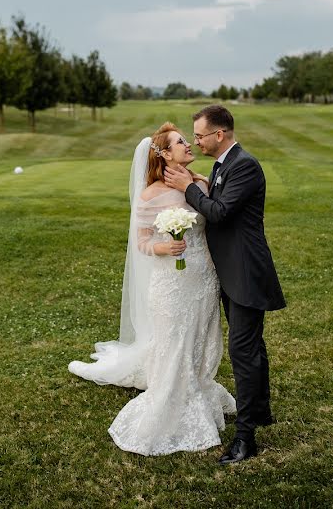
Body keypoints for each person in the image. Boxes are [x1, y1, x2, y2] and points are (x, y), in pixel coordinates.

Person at [68, 122, 236, 456]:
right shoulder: (150, 195)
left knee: (202, 340)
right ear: (164, 155)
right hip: (171, 284)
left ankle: (198, 390)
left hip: (203, 280)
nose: (189, 144)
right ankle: (170, 405)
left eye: (189, 140)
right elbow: (141, 241)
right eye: (180, 142)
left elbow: (215, 222)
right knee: (173, 342)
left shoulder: (201, 183)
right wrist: (163, 248)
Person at [164, 104, 286, 464]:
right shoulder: (223, 166)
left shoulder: (244, 165)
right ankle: (261, 412)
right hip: (232, 272)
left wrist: (187, 186)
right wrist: (198, 181)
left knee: (243, 353)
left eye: (200, 135)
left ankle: (246, 439)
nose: (196, 141)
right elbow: (216, 199)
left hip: (246, 272)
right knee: (251, 346)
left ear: (220, 135)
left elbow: (218, 211)